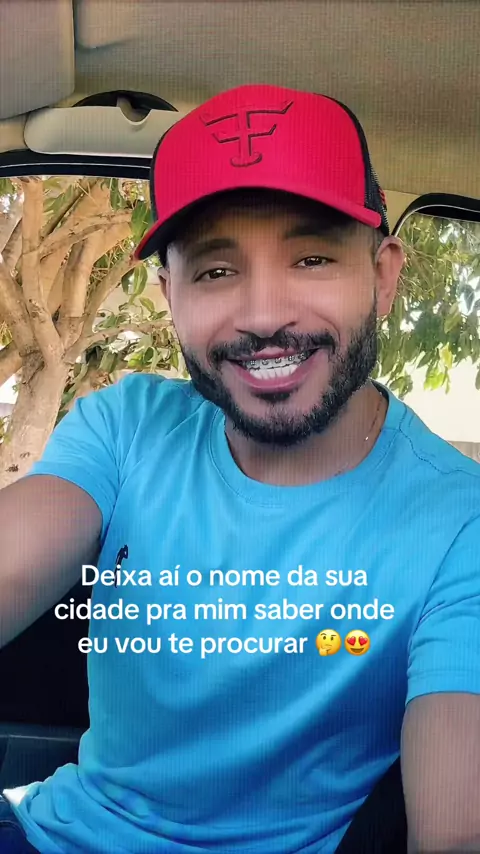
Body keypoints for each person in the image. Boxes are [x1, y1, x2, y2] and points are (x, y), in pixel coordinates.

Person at [0, 83, 479, 854]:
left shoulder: (461, 523)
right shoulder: (125, 427)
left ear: (384, 275)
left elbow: (455, 828)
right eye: (216, 271)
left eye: (313, 258)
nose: (263, 316)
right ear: (170, 296)